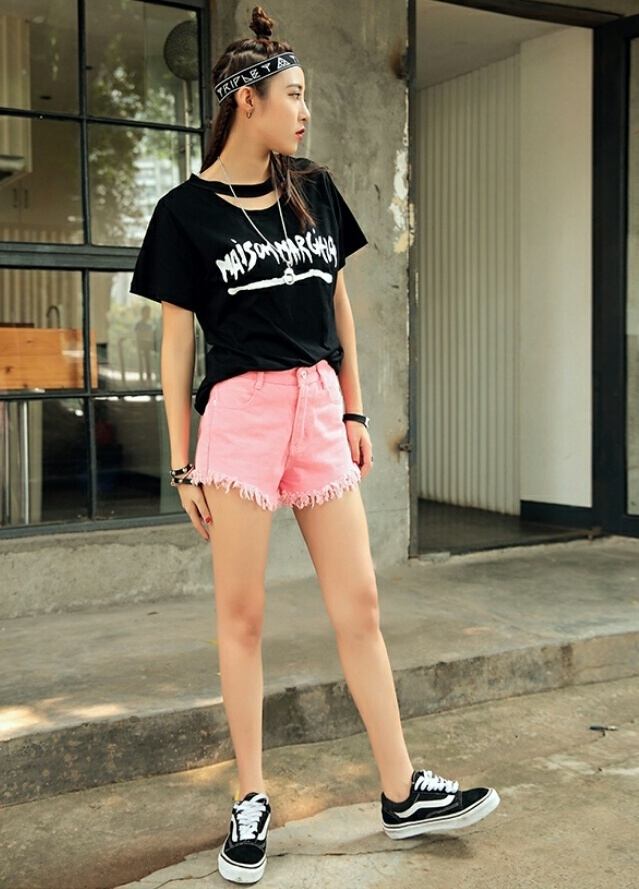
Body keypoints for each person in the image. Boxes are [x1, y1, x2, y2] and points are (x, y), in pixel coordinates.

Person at [129, 6, 500, 884]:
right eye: (292, 96)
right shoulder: (184, 214)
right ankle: (250, 796)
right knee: (243, 617)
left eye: (306, 97)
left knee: (358, 605)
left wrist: (355, 413)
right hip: (241, 418)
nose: (303, 112)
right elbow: (176, 351)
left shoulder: (313, 189)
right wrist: (183, 462)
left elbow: (338, 306)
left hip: (318, 406)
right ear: (246, 101)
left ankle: (401, 789)